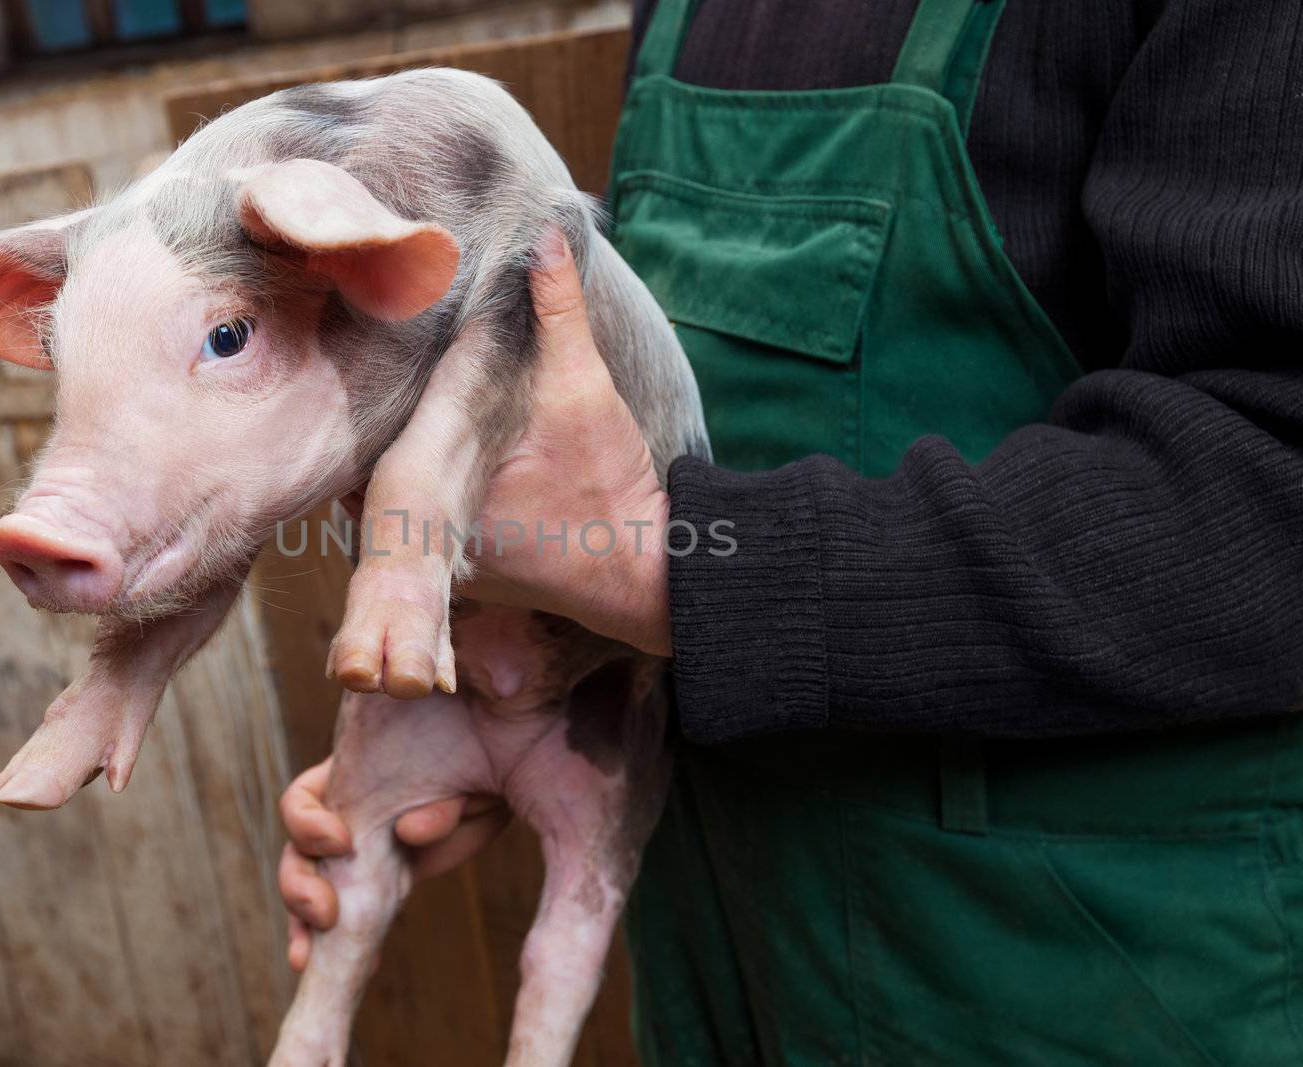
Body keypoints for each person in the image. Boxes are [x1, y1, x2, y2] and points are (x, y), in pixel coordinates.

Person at [278, 0, 1303, 1061]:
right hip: (725, 939)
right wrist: (540, 690)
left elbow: (1273, 489)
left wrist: (658, 569)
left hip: (1077, 972)